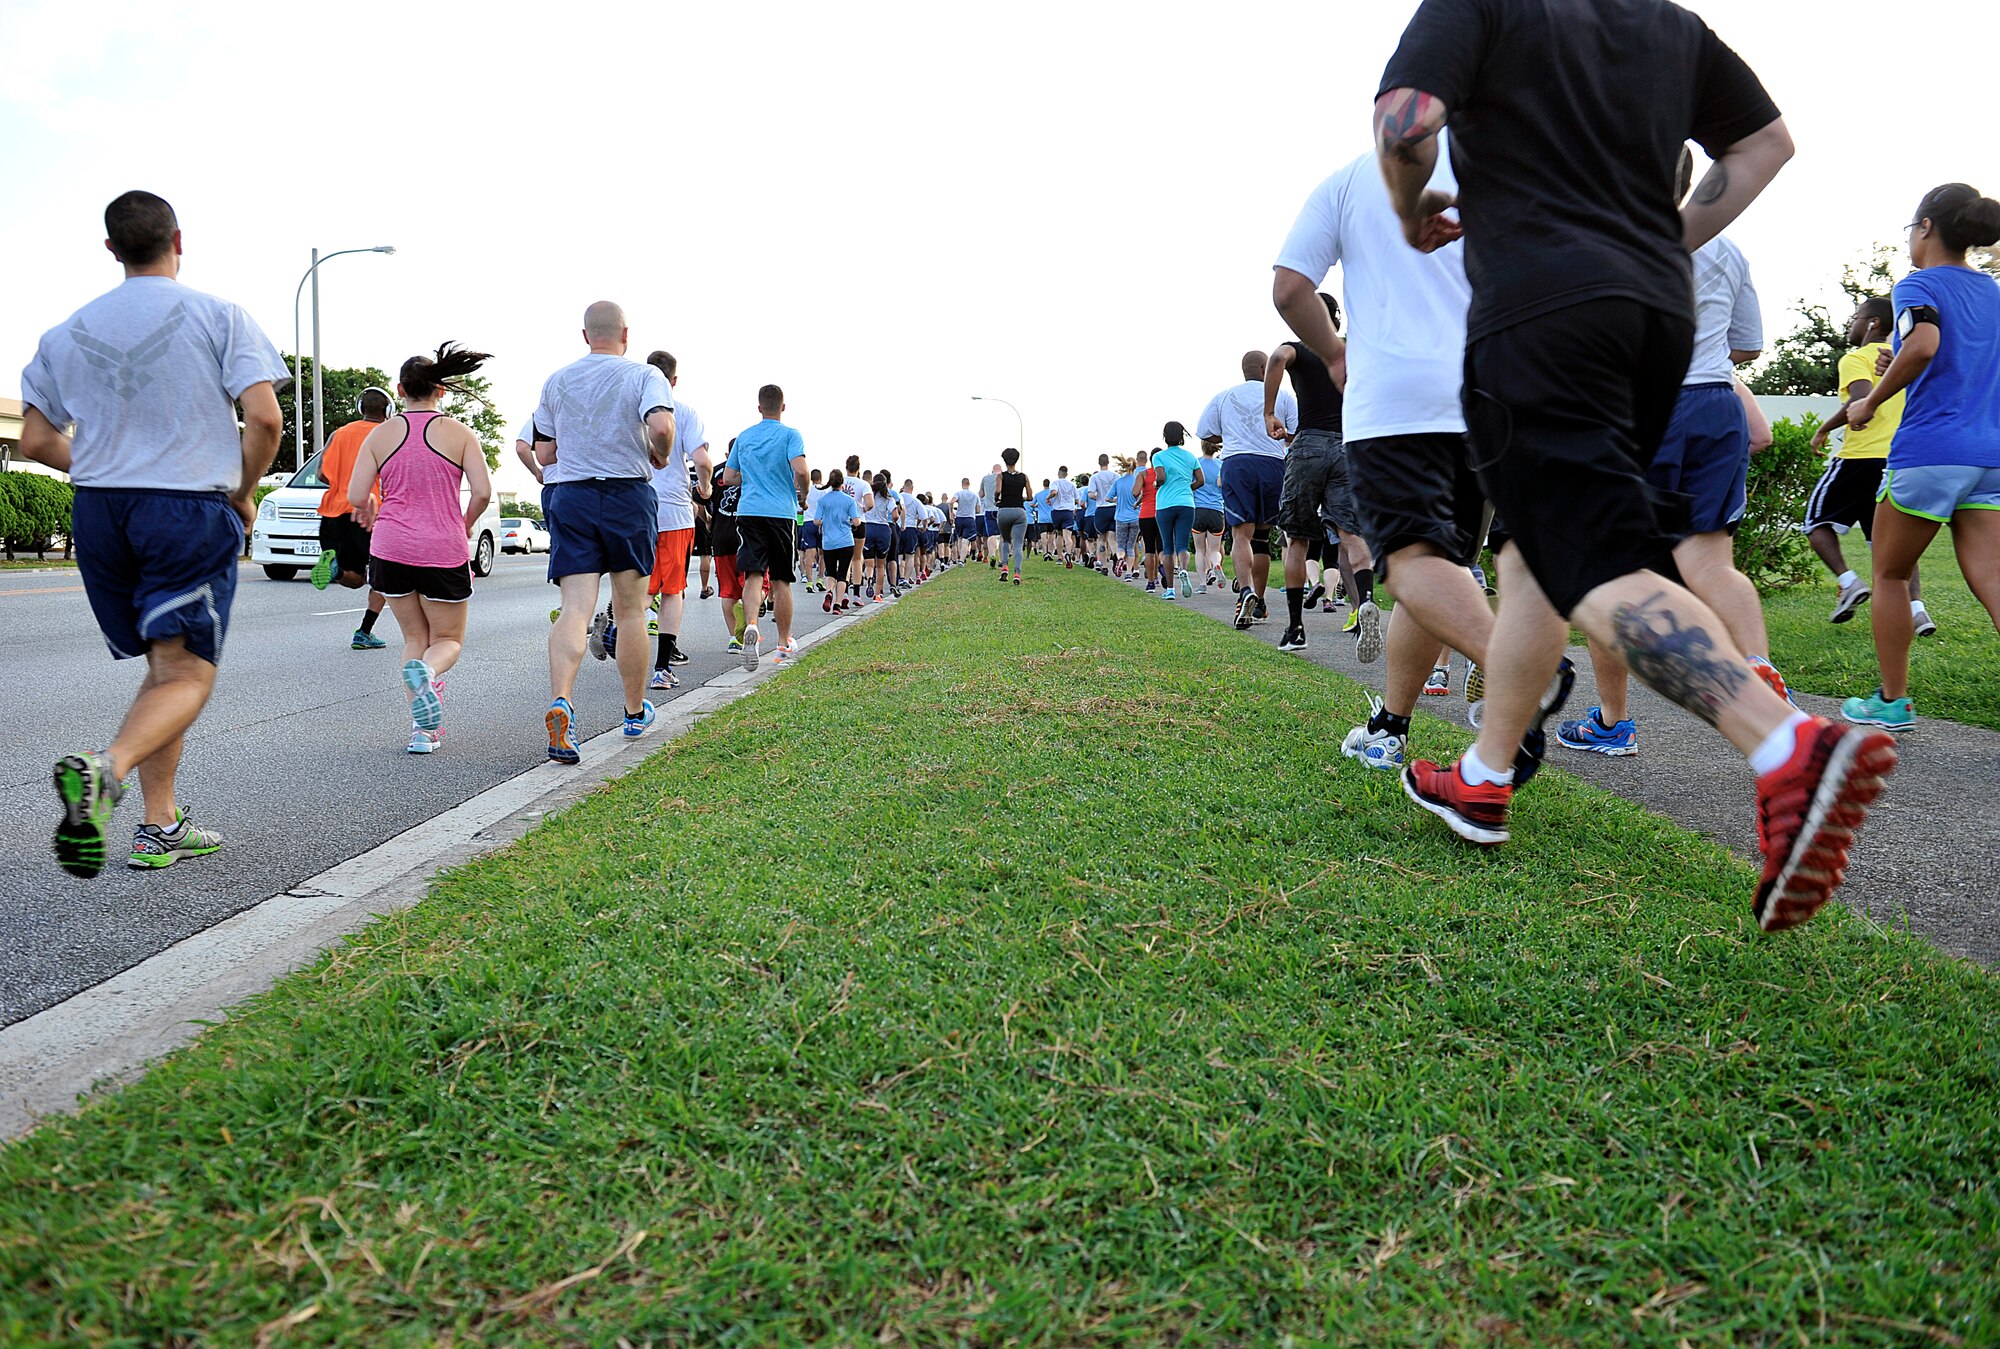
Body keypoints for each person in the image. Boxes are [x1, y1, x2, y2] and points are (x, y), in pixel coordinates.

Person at [1376, 0, 1895, 933]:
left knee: (1592, 556)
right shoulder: (1670, 24)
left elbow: (1409, 117)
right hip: (1652, 315)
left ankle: (1785, 746)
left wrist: (1414, 210)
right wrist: (1668, 239)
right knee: (1544, 545)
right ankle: (1486, 777)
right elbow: (1767, 144)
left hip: (1540, 305)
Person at [21, 190, 286, 876]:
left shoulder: (66, 330)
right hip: (183, 509)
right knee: (189, 674)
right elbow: (265, 420)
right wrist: (244, 491)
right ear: (178, 237)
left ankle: (158, 824)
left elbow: (35, 439)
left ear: (112, 248)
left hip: (100, 514)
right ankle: (104, 770)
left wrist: (111, 465)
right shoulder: (219, 315)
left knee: (164, 669)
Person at [1276, 139, 1512, 776]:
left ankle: (1520, 670)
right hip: (1489, 399)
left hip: (1396, 404)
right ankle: (1390, 725)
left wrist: (1332, 351)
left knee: (1411, 569)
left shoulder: (1350, 180)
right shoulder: (1501, 163)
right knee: (1443, 569)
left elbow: (1292, 287)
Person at [1561, 169, 1788, 757]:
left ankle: (1614, 723)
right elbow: (1749, 346)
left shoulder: (1608, 237)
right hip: (1716, 403)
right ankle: (1759, 671)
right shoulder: (1728, 246)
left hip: (1644, 405)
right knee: (1710, 562)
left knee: (1607, 572)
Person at [1840, 184, 2000, 732]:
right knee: (1995, 579)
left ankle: (1892, 700)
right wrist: (1902, 365)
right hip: (1991, 456)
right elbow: (1952, 359)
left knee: (1888, 573)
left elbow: (1927, 343)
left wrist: (1870, 404)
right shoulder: (1995, 293)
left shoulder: (1918, 284)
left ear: (1926, 228)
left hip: (1931, 452)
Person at [532, 300, 673, 763]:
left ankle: (562, 702)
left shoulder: (557, 380)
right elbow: (662, 425)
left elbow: (545, 452)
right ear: (626, 334)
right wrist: (660, 453)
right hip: (627, 496)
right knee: (632, 611)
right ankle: (634, 712)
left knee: (575, 608)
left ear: (585, 335)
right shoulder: (643, 375)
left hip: (571, 496)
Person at [346, 344, 494, 754]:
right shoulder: (460, 434)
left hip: (390, 547)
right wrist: (461, 525)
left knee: (414, 637)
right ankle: (428, 676)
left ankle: (421, 733)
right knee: (447, 640)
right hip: (442, 548)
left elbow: (358, 494)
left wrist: (373, 504)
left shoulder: (380, 434)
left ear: (400, 390)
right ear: (440, 391)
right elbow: (482, 492)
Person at [1804, 297, 1929, 632]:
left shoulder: (1857, 358)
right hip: (1896, 460)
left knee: (1814, 523)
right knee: (1893, 545)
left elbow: (1860, 400)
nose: (1851, 325)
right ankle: (1917, 609)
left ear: (1873, 323)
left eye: (1855, 317)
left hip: (1859, 459)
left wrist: (1824, 428)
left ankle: (1849, 582)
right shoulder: (1904, 363)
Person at [1266, 293, 1378, 657]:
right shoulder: (1354, 351)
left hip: (1309, 444)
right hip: (1348, 447)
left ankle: (1296, 628)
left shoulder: (1298, 347)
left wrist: (1269, 412)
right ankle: (1366, 606)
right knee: (1351, 534)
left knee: (1297, 538)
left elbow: (1278, 358)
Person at [1198, 353, 1295, 628]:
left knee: (1241, 534)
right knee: (1262, 536)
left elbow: (1205, 432)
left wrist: (1229, 435)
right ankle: (1260, 601)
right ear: (1265, 368)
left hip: (1237, 463)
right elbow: (1296, 431)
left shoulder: (1224, 397)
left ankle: (1245, 592)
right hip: (1272, 464)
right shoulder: (1283, 396)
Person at [724, 385, 808, 671]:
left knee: (753, 574)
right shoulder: (790, 435)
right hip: (781, 513)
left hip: (749, 511)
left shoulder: (745, 437)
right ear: (783, 407)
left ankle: (750, 626)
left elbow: (728, 476)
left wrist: (751, 480)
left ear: (759, 407)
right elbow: (802, 470)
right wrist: (803, 494)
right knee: (782, 579)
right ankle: (784, 643)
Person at [642, 350, 712, 693]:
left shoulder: (633, 411)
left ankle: (613, 624)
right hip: (673, 512)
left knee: (640, 589)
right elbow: (702, 459)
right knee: (672, 591)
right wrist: (704, 486)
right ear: (673, 381)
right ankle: (661, 668)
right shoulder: (683, 413)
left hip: (636, 510)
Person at [309, 385, 391, 650]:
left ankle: (335, 569)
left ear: (360, 408)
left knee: (354, 577)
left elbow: (322, 474)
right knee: (383, 577)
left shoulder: (338, 434)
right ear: (387, 410)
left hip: (332, 514)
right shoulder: (387, 435)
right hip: (370, 514)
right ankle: (364, 632)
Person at [1153, 423, 1201, 598]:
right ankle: (1184, 570)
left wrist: (1156, 484)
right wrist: (1187, 489)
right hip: (1186, 504)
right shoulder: (1190, 457)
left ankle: (1170, 590)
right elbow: (1200, 480)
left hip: (1165, 504)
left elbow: (1161, 477)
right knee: (1182, 545)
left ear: (1165, 436)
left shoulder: (1159, 456)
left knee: (1167, 548)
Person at [814, 467, 862, 610]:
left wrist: (826, 521)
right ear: (842, 483)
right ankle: (837, 604)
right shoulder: (849, 500)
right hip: (845, 541)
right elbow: (857, 521)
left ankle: (829, 591)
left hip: (828, 542)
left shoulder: (823, 500)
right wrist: (849, 521)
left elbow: (816, 520)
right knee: (842, 573)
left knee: (831, 572)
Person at [860, 470, 898, 600]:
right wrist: (893, 521)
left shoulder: (868, 495)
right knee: (881, 565)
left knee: (869, 563)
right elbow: (895, 515)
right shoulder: (889, 498)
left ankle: (869, 578)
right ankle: (878, 594)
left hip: (868, 528)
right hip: (883, 529)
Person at [995, 448, 1030, 584]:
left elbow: (998, 491)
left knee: (1005, 540)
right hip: (1019, 512)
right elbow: (1031, 496)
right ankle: (1017, 573)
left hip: (1004, 510)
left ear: (1004, 460)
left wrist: (996, 497)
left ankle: (1004, 566)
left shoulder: (1001, 476)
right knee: (1018, 543)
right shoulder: (1024, 477)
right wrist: (1021, 497)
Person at [1193, 444, 1225, 589]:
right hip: (1217, 511)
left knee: (1200, 550)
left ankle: (1202, 583)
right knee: (1214, 550)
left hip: (1198, 510)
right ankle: (1216, 565)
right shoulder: (1221, 465)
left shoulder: (1196, 463)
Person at [1111, 458, 1142, 578]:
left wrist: (1117, 500)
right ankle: (1129, 572)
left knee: (1121, 545)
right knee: (1131, 546)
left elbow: (1108, 498)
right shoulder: (1137, 481)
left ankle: (1120, 559)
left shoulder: (1118, 482)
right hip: (1135, 517)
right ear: (1135, 467)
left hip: (1120, 517)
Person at [979, 461, 1002, 565]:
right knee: (1003, 535)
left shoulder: (985, 478)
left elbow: (981, 494)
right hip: (1001, 509)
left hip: (989, 510)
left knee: (991, 535)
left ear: (992, 470)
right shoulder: (1003, 477)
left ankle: (992, 555)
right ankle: (1002, 559)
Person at [953, 477, 981, 563]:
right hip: (969, 518)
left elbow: (951, 502)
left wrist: (951, 512)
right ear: (969, 484)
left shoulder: (958, 493)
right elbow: (978, 510)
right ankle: (962, 559)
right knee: (966, 540)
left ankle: (960, 557)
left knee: (960, 538)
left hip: (959, 518)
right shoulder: (975, 495)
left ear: (962, 484)